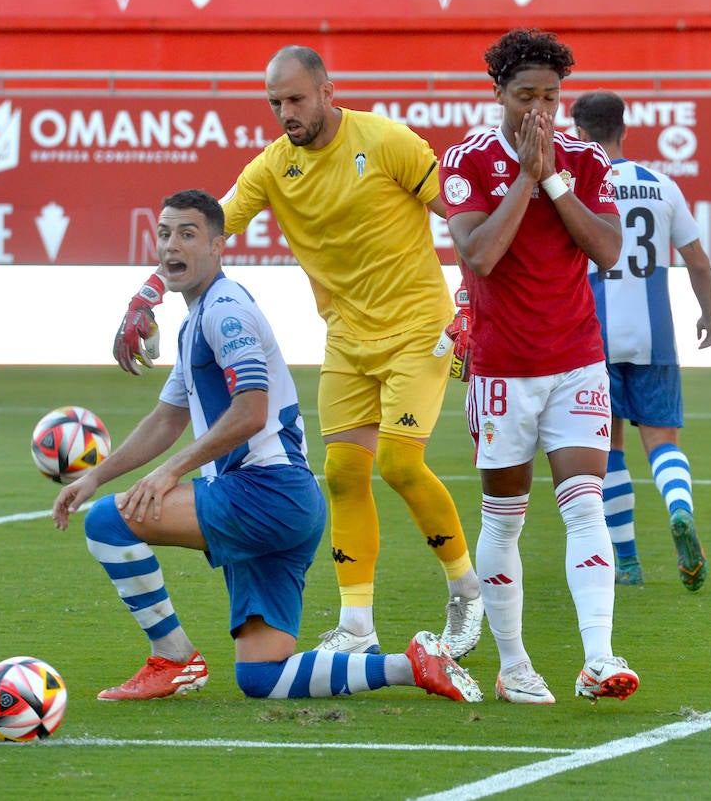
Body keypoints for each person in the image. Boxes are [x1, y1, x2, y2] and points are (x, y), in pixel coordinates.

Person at [111, 46, 484, 663]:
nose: (285, 113)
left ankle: (466, 591)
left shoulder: (389, 141)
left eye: (295, 99)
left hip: (421, 328)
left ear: (327, 91)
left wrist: (472, 299)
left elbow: (464, 221)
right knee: (341, 475)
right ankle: (358, 624)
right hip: (345, 337)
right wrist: (145, 295)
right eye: (275, 103)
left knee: (397, 462)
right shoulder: (271, 168)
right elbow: (203, 231)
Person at [55, 191, 481, 705]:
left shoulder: (224, 311)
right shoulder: (198, 318)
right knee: (263, 677)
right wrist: (96, 475)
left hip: (263, 493)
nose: (172, 245)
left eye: (187, 234)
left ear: (217, 247)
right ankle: (411, 664)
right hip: (284, 506)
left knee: (107, 524)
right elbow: (166, 419)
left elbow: (251, 410)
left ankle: (173, 658)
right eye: (165, 233)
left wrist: (169, 474)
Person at [440, 29, 638, 705]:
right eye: (526, 95)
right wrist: (526, 174)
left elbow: (609, 251)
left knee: (585, 504)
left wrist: (552, 174)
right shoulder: (465, 158)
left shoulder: (582, 158)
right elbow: (481, 256)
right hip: (502, 367)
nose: (540, 110)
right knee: (504, 517)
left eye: (552, 96)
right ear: (498, 93)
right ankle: (516, 665)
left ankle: (599, 657)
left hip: (576, 359)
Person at [571, 89, 711, 591]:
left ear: (582, 134)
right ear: (624, 130)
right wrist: (709, 315)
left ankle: (628, 562)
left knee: (607, 448)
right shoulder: (662, 185)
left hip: (594, 335)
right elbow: (697, 259)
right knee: (662, 443)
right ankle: (679, 508)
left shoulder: (580, 184)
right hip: (655, 335)